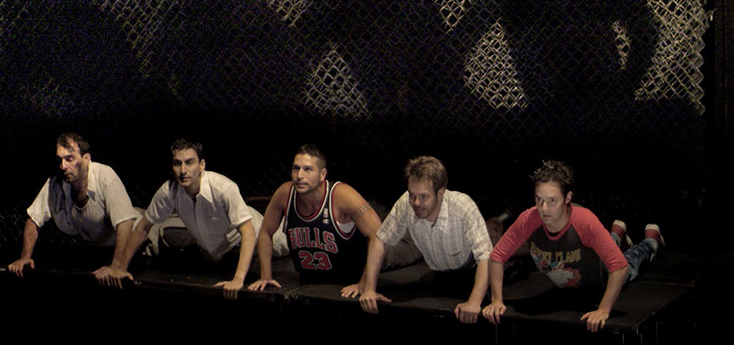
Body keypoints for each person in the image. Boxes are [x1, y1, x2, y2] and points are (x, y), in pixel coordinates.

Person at [482, 160, 664, 332]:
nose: (544, 208)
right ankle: (617, 236)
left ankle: (652, 241)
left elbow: (619, 267)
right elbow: (497, 256)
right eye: (539, 200)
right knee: (607, 243)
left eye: (552, 200)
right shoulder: (529, 219)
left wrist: (603, 310)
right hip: (572, 279)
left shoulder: (585, 221)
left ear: (568, 197)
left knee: (630, 261)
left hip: (600, 277)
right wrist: (497, 300)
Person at [97, 139, 285, 298]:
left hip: (254, 233)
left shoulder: (223, 188)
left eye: (189, 162)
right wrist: (121, 268)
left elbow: (248, 232)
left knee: (287, 244)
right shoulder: (168, 191)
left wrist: (238, 279)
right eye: (177, 164)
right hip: (217, 251)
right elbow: (142, 227)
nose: (183, 170)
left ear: (202, 165)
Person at [343, 156, 492, 322]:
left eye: (423, 197)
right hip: (437, 272)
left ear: (440, 193)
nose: (416, 202)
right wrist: (370, 288)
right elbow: (380, 240)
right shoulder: (406, 203)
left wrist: (474, 302)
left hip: (471, 271)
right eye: (412, 195)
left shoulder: (462, 205)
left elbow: (486, 255)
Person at [248, 144, 382, 290]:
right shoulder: (284, 194)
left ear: (322, 174)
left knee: (394, 246)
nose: (299, 175)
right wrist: (265, 276)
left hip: (352, 277)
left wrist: (365, 283)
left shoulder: (341, 195)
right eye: (296, 168)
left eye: (308, 169)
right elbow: (265, 232)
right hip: (310, 279)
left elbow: (378, 234)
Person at [7, 132, 138, 282]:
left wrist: (117, 267)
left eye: (69, 159)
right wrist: (25, 257)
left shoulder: (104, 175)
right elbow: (33, 219)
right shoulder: (56, 185)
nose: (63, 166)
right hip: (103, 249)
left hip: (139, 242)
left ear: (86, 158)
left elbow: (126, 222)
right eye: (60, 160)